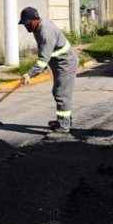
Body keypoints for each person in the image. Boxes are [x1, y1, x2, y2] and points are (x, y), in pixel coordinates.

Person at [18, 7, 79, 139]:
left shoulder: (45, 32)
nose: (26, 26)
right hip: (58, 63)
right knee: (57, 92)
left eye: (27, 23)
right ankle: (63, 121)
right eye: (24, 24)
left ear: (35, 20)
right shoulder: (37, 28)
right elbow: (45, 54)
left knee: (62, 94)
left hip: (66, 64)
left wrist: (29, 74)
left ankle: (63, 128)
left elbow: (42, 60)